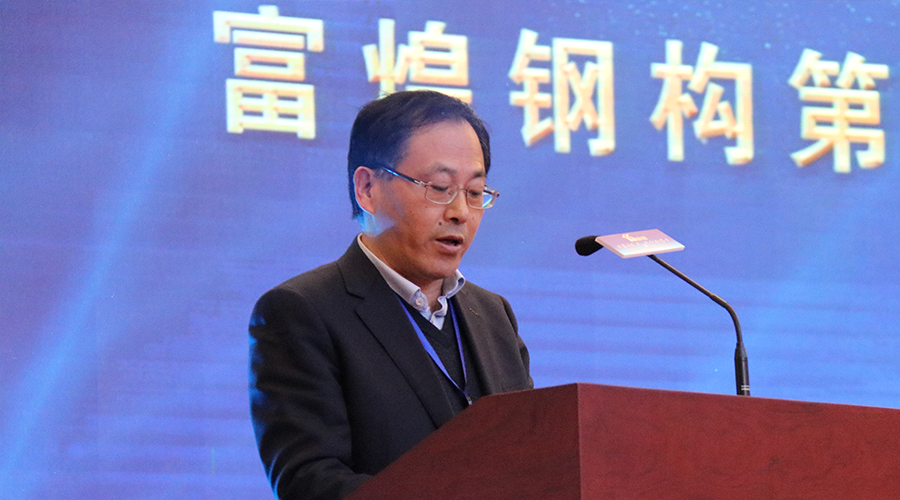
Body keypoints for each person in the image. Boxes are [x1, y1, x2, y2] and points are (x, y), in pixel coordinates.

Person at [248, 90, 533, 500]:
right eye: (439, 187)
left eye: (474, 192)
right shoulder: (302, 312)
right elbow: (311, 481)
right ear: (367, 188)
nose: (460, 212)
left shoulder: (493, 315)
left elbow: (532, 457)